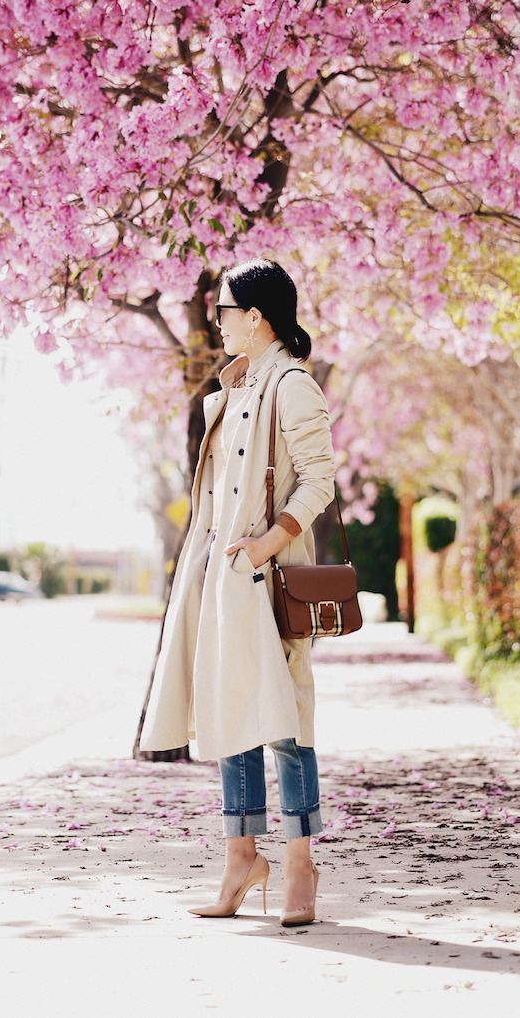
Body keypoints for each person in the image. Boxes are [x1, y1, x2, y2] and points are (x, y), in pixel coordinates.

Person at [139, 258, 336, 926]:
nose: (215, 321)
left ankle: (301, 864)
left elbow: (319, 482)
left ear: (259, 316)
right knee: (231, 718)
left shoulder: (293, 387)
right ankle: (241, 858)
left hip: (269, 580)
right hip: (221, 582)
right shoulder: (230, 390)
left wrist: (263, 545)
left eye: (224, 309)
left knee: (286, 724)